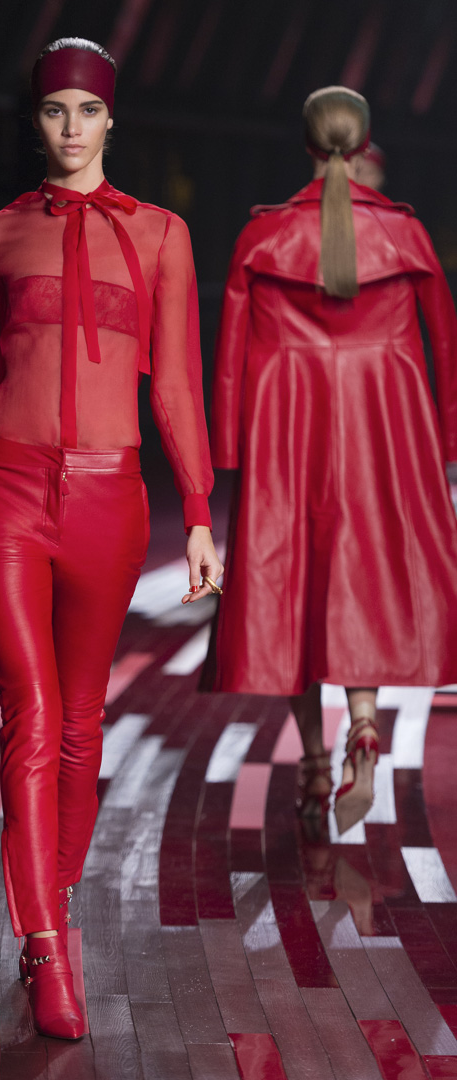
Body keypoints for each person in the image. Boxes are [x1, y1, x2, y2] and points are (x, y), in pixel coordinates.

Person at [0, 37, 222, 1039]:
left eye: (88, 110)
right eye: (55, 110)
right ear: (38, 119)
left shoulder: (164, 235)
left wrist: (200, 514)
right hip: (5, 493)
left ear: (111, 119)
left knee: (84, 728)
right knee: (34, 714)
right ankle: (47, 950)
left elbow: (177, 389)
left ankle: (47, 898)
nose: (72, 127)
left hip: (109, 501)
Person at [207, 86, 457, 837]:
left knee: (292, 585)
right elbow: (445, 345)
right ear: (364, 141)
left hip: (287, 424)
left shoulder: (262, 236)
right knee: (363, 571)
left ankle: (314, 760)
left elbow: (229, 355)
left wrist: (225, 452)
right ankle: (365, 726)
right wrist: (444, 446)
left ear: (308, 146)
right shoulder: (406, 235)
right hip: (383, 422)